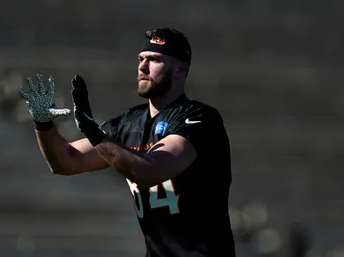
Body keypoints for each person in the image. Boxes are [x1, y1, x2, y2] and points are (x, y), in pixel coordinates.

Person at [18, 28, 236, 257]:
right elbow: (65, 161)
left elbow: (151, 170)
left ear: (181, 69)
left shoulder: (200, 119)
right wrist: (43, 124)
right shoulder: (129, 123)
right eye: (141, 59)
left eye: (154, 60)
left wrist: (94, 133)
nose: (143, 67)